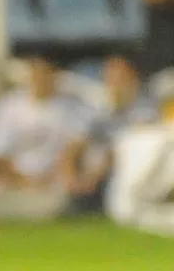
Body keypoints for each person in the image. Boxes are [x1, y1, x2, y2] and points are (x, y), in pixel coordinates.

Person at [61, 56, 157, 214]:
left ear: (133, 80)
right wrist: (70, 177)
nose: (114, 84)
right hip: (92, 176)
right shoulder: (96, 107)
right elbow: (74, 145)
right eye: (110, 78)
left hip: (128, 177)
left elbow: (122, 150)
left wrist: (93, 177)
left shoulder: (146, 110)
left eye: (120, 78)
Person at [0, 57, 90, 188]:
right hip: (15, 182)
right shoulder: (9, 105)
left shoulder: (71, 107)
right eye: (36, 73)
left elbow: (74, 150)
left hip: (55, 181)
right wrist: (23, 180)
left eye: (46, 72)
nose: (41, 79)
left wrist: (56, 177)